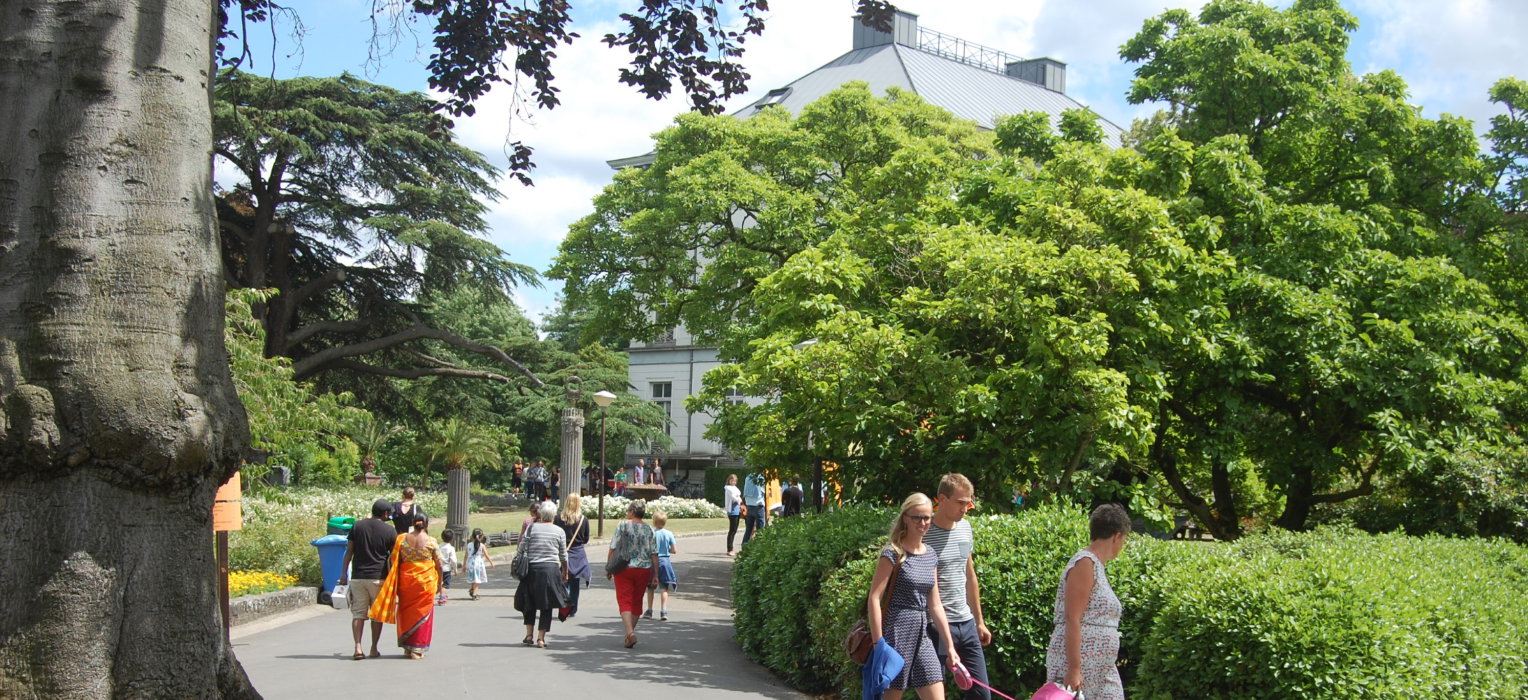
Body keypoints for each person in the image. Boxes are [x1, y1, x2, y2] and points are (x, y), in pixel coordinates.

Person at [867, 493, 956, 699]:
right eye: (917, 517)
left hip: (922, 634)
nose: (923, 523)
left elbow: (935, 605)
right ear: (905, 518)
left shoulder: (931, 555)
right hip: (896, 633)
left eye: (927, 518)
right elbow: (874, 598)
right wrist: (878, 644)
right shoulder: (893, 553)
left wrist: (950, 646)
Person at [1046, 503, 1132, 700]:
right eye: (1124, 539)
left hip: (1101, 668)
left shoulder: (1097, 566)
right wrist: (1074, 669)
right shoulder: (1085, 563)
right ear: (1117, 536)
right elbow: (1072, 618)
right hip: (1080, 665)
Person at [925, 474, 991, 700]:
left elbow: (969, 575)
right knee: (935, 695)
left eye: (968, 503)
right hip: (936, 626)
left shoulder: (965, 528)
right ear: (942, 499)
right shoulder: (925, 533)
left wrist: (979, 621)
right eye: (960, 502)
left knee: (981, 695)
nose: (965, 509)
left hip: (966, 622)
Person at [369, 512, 444, 660]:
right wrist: (440, 583)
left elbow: (393, 560)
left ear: (413, 524)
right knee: (423, 614)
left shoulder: (402, 539)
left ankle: (408, 647)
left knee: (406, 613)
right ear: (426, 525)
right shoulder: (431, 541)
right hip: (425, 584)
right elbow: (440, 564)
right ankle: (417, 648)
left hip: (406, 583)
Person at [339, 499, 396, 660]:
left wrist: (344, 574)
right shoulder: (390, 530)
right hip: (378, 578)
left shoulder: (357, 526)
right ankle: (373, 648)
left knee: (358, 613)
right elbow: (393, 558)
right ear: (386, 513)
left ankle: (358, 647)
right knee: (376, 615)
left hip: (358, 577)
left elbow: (349, 551)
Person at [514, 501, 569, 649]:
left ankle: (529, 635)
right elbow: (563, 555)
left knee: (529, 601)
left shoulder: (531, 528)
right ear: (554, 516)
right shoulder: (559, 531)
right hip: (551, 570)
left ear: (541, 514)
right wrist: (565, 571)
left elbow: (521, 548)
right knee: (547, 604)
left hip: (532, 569)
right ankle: (541, 638)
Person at [606, 500, 659, 648]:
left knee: (624, 599)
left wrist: (609, 567)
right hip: (644, 569)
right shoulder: (649, 529)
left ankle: (630, 633)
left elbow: (613, 547)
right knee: (637, 600)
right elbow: (654, 553)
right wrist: (656, 574)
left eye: (628, 511)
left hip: (624, 567)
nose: (627, 513)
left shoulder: (623, 525)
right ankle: (629, 635)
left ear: (633, 512)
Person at [555, 494, 592, 620]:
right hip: (577, 553)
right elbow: (586, 538)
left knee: (563, 580)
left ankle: (564, 605)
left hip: (562, 551)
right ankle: (573, 608)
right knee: (575, 582)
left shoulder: (558, 519)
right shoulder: (583, 519)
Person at [644, 510, 679, 621]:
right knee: (664, 588)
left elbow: (647, 549)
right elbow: (674, 550)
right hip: (665, 562)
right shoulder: (669, 534)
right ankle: (663, 610)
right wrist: (667, 549)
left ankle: (649, 610)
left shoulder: (651, 534)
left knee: (650, 587)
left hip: (652, 562)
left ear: (654, 522)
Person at [465, 527, 494, 601]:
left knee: (473, 578)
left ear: (472, 536)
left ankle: (472, 589)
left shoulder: (469, 545)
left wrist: (464, 565)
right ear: (481, 537)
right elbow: (487, 555)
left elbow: (466, 556)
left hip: (470, 564)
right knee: (477, 579)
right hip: (478, 564)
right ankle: (474, 594)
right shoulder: (482, 545)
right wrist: (491, 562)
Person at [741, 472, 767, 545]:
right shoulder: (760, 478)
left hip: (749, 505)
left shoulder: (747, 478)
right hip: (758, 506)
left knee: (748, 529)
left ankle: (744, 547)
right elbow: (763, 491)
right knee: (760, 530)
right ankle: (759, 547)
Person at [722, 474, 742, 556]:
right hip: (732, 512)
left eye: (734, 481)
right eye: (731, 480)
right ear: (729, 480)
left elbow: (738, 495)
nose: (733, 482)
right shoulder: (728, 488)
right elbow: (734, 497)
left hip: (737, 511)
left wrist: (739, 499)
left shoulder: (735, 488)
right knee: (732, 530)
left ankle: (731, 548)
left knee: (734, 530)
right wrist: (738, 500)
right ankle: (729, 549)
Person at [437, 529, 457, 606]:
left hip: (438, 567)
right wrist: (455, 569)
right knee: (445, 584)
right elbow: (453, 560)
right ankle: (442, 597)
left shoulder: (438, 546)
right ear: (452, 538)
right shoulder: (451, 548)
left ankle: (442, 594)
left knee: (440, 582)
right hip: (446, 568)